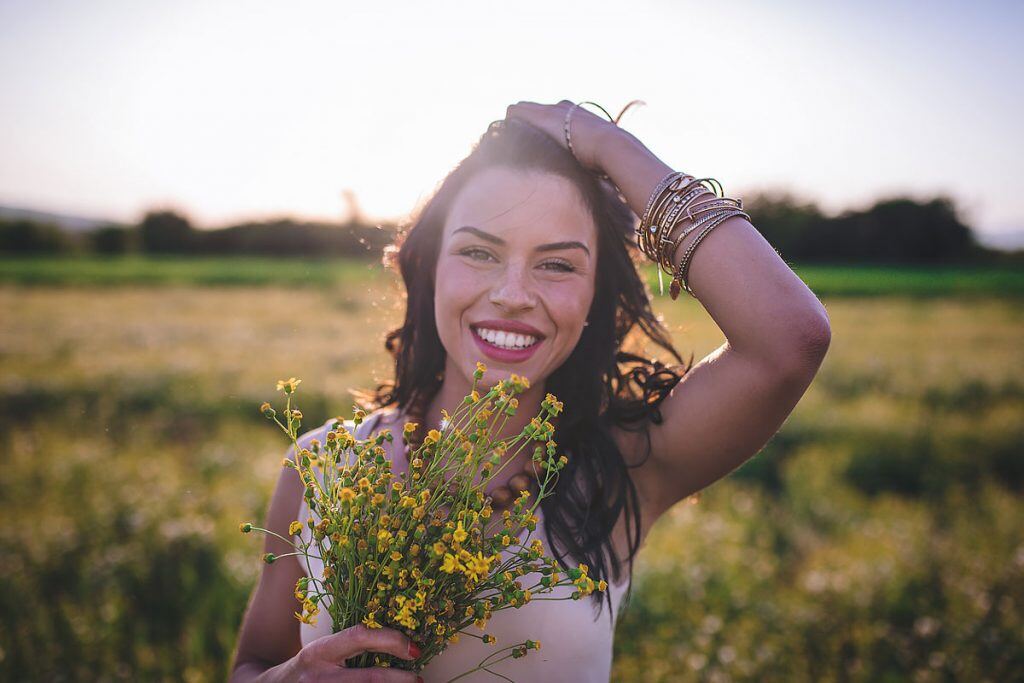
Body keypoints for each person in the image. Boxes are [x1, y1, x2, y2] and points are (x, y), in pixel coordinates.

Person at [229, 100, 832, 682]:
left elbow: (789, 340)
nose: (513, 294)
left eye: (557, 264)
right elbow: (250, 665)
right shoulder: (321, 466)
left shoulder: (625, 468)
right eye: (478, 252)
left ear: (596, 296)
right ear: (430, 268)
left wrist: (609, 146)